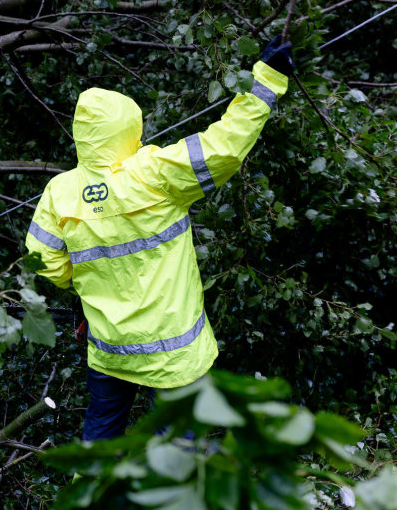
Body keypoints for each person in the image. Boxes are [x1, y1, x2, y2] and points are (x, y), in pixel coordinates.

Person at [24, 37, 294, 441]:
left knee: (99, 442)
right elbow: (226, 146)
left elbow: (42, 260)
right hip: (176, 359)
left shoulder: (59, 192)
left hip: (109, 350)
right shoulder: (155, 173)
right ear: (130, 128)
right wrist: (267, 80)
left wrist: (80, 285)